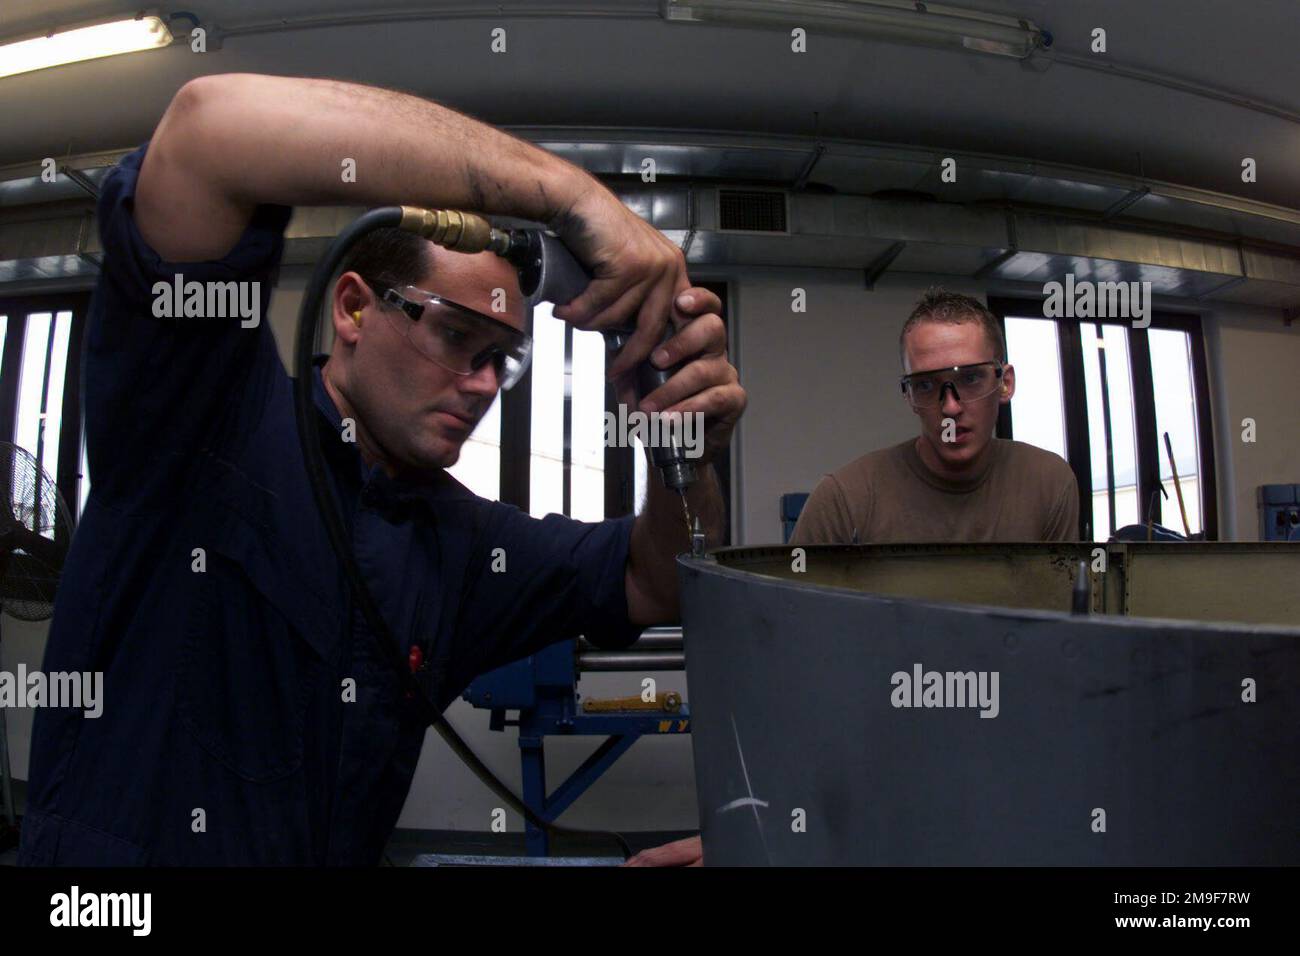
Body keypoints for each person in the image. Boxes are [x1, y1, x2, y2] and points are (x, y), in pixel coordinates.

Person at [20, 72, 745, 866]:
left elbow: (658, 580)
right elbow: (207, 131)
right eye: (455, 336)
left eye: (501, 360)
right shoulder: (202, 411)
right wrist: (571, 196)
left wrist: (686, 452)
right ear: (355, 308)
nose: (480, 384)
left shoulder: (461, 545)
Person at [624, 289, 1076, 867]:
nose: (951, 405)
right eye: (927, 386)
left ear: (1005, 382)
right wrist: (754, 825)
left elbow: (1060, 656)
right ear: (909, 394)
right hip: (876, 772)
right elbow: (782, 670)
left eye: (971, 379)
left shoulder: (1050, 484)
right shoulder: (848, 497)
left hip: (1005, 768)